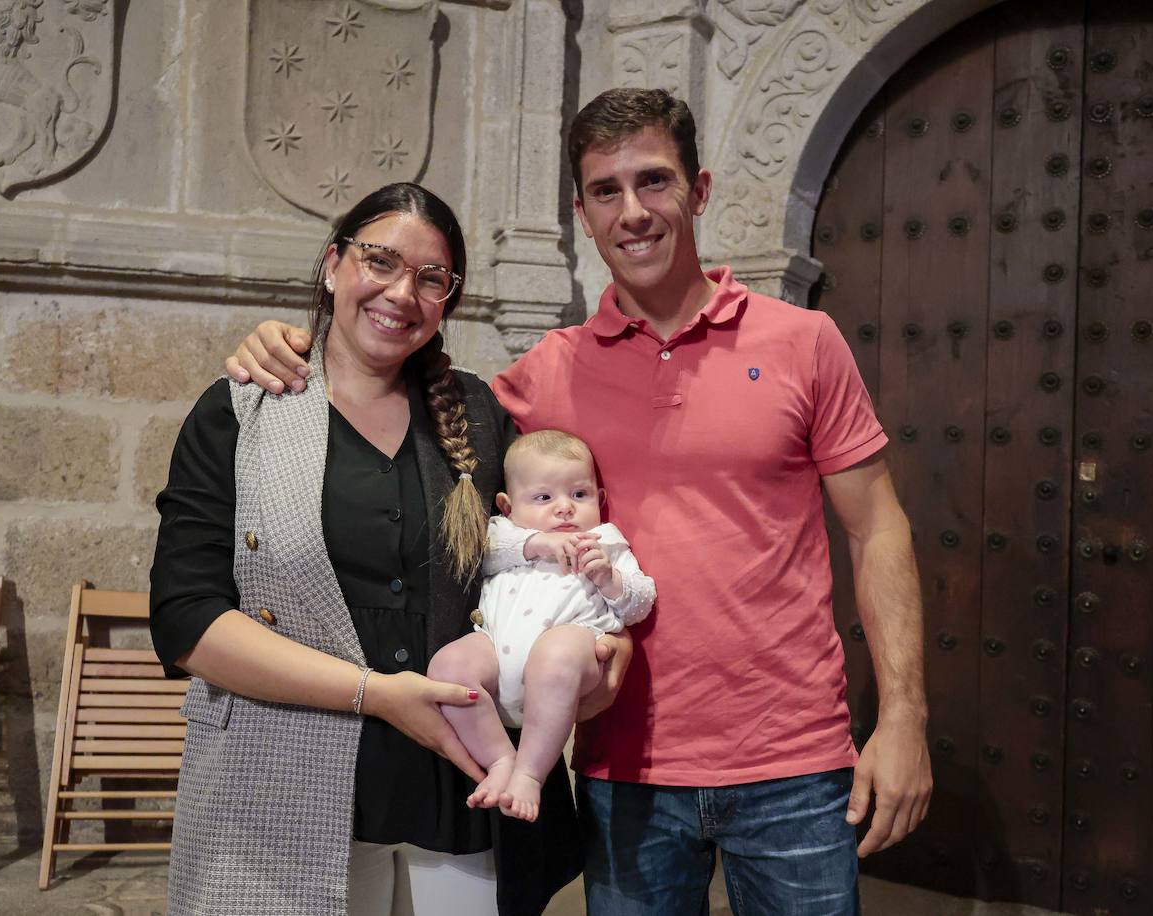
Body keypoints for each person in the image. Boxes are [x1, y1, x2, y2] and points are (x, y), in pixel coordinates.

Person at [226, 89, 932, 915]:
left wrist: (906, 718)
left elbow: (878, 526)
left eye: (654, 181)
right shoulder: (548, 373)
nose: (632, 211)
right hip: (621, 771)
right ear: (582, 214)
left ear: (699, 190)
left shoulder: (803, 342)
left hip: (792, 762)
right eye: (606, 191)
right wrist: (282, 340)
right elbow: (404, 399)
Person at [149, 182, 589, 915]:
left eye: (430, 278)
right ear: (332, 265)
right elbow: (187, 621)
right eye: (378, 261)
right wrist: (377, 696)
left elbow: (545, 552)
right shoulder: (241, 413)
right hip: (283, 787)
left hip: (463, 788)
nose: (400, 292)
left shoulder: (478, 417)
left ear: (449, 297)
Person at [428, 430, 655, 823]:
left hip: (571, 652)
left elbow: (640, 602)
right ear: (507, 505)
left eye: (579, 495)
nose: (565, 509)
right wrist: (537, 544)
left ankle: (531, 773)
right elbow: (482, 557)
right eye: (544, 497)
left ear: (599, 500)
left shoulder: (605, 541)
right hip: (494, 652)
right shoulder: (504, 534)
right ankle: (500, 760)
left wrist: (609, 579)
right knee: (447, 668)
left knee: (558, 653)